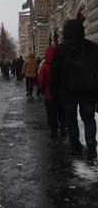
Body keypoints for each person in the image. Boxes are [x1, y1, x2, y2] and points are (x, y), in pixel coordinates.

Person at [50, 19, 98, 159]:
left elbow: (55, 74)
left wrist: (54, 93)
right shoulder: (93, 48)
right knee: (89, 118)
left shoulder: (61, 49)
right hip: (88, 91)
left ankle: (76, 147)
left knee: (70, 120)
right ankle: (90, 145)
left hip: (68, 92)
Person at [37, 44, 66, 139]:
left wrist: (41, 89)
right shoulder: (62, 63)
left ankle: (54, 131)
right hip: (61, 93)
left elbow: (41, 79)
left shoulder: (45, 65)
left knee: (51, 114)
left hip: (49, 94)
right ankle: (62, 128)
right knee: (61, 112)